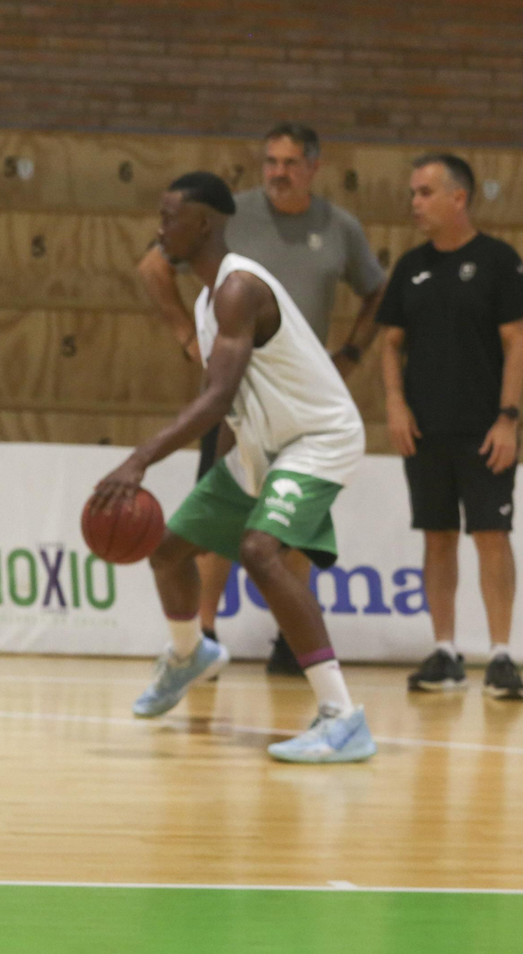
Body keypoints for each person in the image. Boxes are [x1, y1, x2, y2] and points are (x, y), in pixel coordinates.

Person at [95, 172, 374, 764]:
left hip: (318, 440)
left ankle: (342, 716)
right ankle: (190, 652)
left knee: (258, 551)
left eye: (170, 216)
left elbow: (217, 396)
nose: (160, 227)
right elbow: (231, 403)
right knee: (170, 549)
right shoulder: (204, 301)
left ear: (204, 223)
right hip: (263, 447)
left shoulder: (238, 288)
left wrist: (138, 460)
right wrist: (216, 487)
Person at [135, 123, 387, 676]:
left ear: (313, 167)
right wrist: (185, 335)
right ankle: (199, 637)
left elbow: (377, 290)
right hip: (249, 406)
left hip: (301, 406)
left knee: (269, 540)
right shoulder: (225, 232)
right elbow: (154, 267)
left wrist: (351, 355)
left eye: (290, 162)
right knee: (199, 531)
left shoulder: (330, 232)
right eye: (270, 160)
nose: (278, 171)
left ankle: (312, 674)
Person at [377, 154, 523, 700]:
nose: (415, 203)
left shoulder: (498, 261)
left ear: (458, 197)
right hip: (424, 429)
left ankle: (502, 655)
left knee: (492, 534)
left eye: (424, 192)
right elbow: (391, 342)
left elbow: (519, 344)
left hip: (485, 429)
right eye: (413, 193)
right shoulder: (411, 267)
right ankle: (445, 651)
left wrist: (508, 418)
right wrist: (395, 404)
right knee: (437, 537)